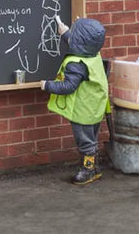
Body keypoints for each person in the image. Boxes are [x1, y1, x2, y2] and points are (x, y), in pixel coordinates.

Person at [40, 16, 110, 185]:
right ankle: (94, 166)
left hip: (82, 110)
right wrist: (64, 32)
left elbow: (67, 87)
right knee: (91, 138)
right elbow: (78, 44)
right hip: (95, 107)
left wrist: (47, 85)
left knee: (85, 141)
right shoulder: (93, 54)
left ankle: (88, 170)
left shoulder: (76, 64)